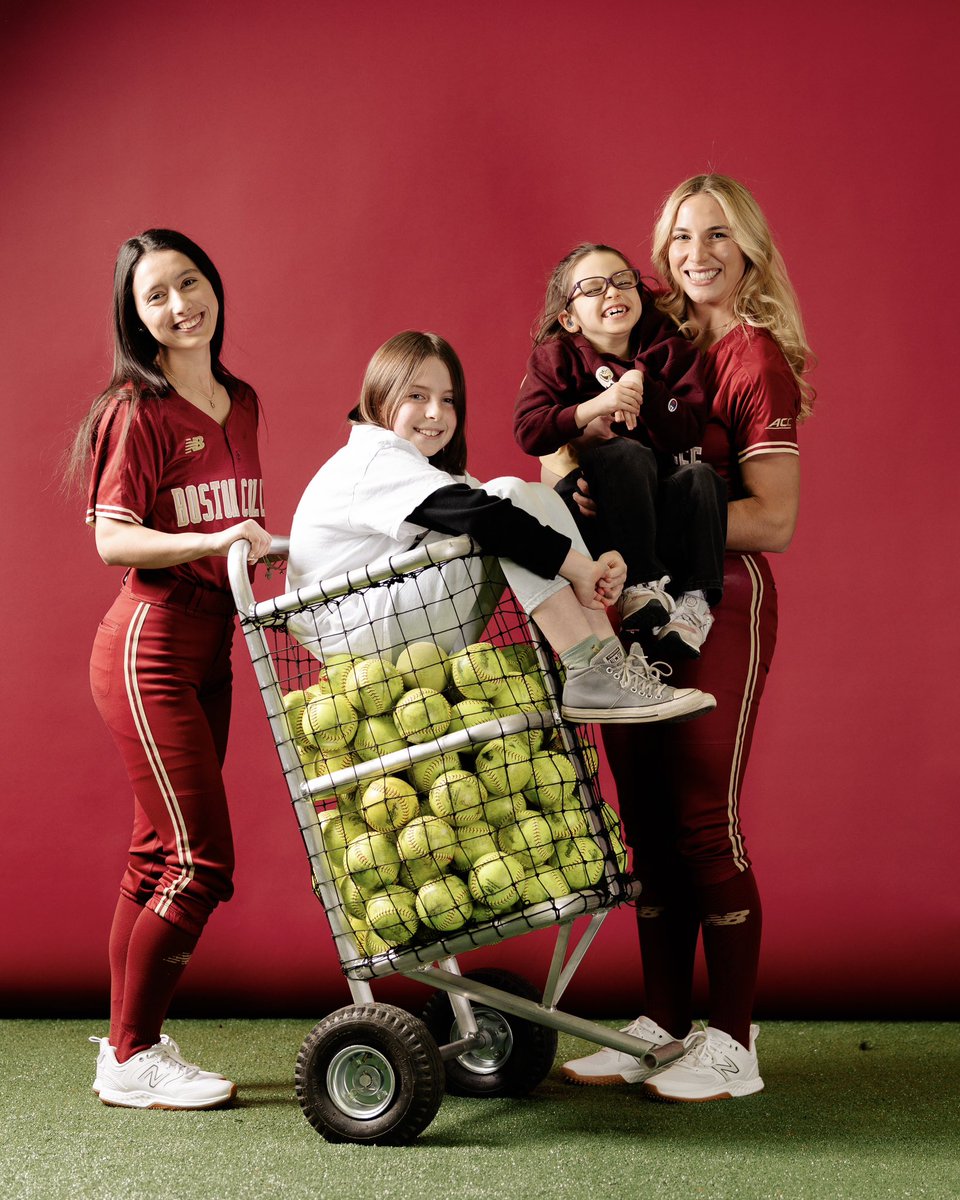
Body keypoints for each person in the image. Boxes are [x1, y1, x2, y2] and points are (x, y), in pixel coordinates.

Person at [561, 175, 815, 1100]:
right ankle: (663, 1024)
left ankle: (733, 1044)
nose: (695, 253)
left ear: (749, 248)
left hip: (719, 604)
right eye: (678, 237)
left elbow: (775, 518)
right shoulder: (654, 343)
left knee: (703, 816)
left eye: (716, 235)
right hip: (631, 604)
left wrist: (653, 525)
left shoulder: (750, 353)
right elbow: (563, 429)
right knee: (647, 818)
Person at [70, 229, 272, 1110]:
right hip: (148, 645)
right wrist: (211, 542)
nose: (180, 305)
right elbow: (111, 537)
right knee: (200, 862)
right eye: (156, 295)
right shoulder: (136, 409)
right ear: (135, 315)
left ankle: (126, 1042)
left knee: (156, 856)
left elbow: (238, 527)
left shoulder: (243, 400)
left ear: (214, 286)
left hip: (213, 645)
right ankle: (134, 1054)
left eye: (190, 283)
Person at [286, 330, 716, 726]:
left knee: (524, 500)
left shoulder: (421, 468)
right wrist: (580, 570)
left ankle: (609, 668)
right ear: (380, 395)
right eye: (417, 395)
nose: (436, 413)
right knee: (507, 502)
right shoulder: (374, 457)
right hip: (356, 644)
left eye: (449, 400)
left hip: (389, 627)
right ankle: (591, 669)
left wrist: (593, 566)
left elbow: (517, 513)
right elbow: (487, 515)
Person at [514, 244, 727, 658]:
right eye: (593, 288)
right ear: (569, 317)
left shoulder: (671, 351)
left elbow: (685, 433)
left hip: (656, 496)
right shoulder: (555, 357)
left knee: (703, 479)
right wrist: (593, 408)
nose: (612, 293)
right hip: (591, 502)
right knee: (622, 453)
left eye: (622, 281)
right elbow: (528, 431)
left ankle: (695, 605)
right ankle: (641, 586)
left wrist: (646, 390)